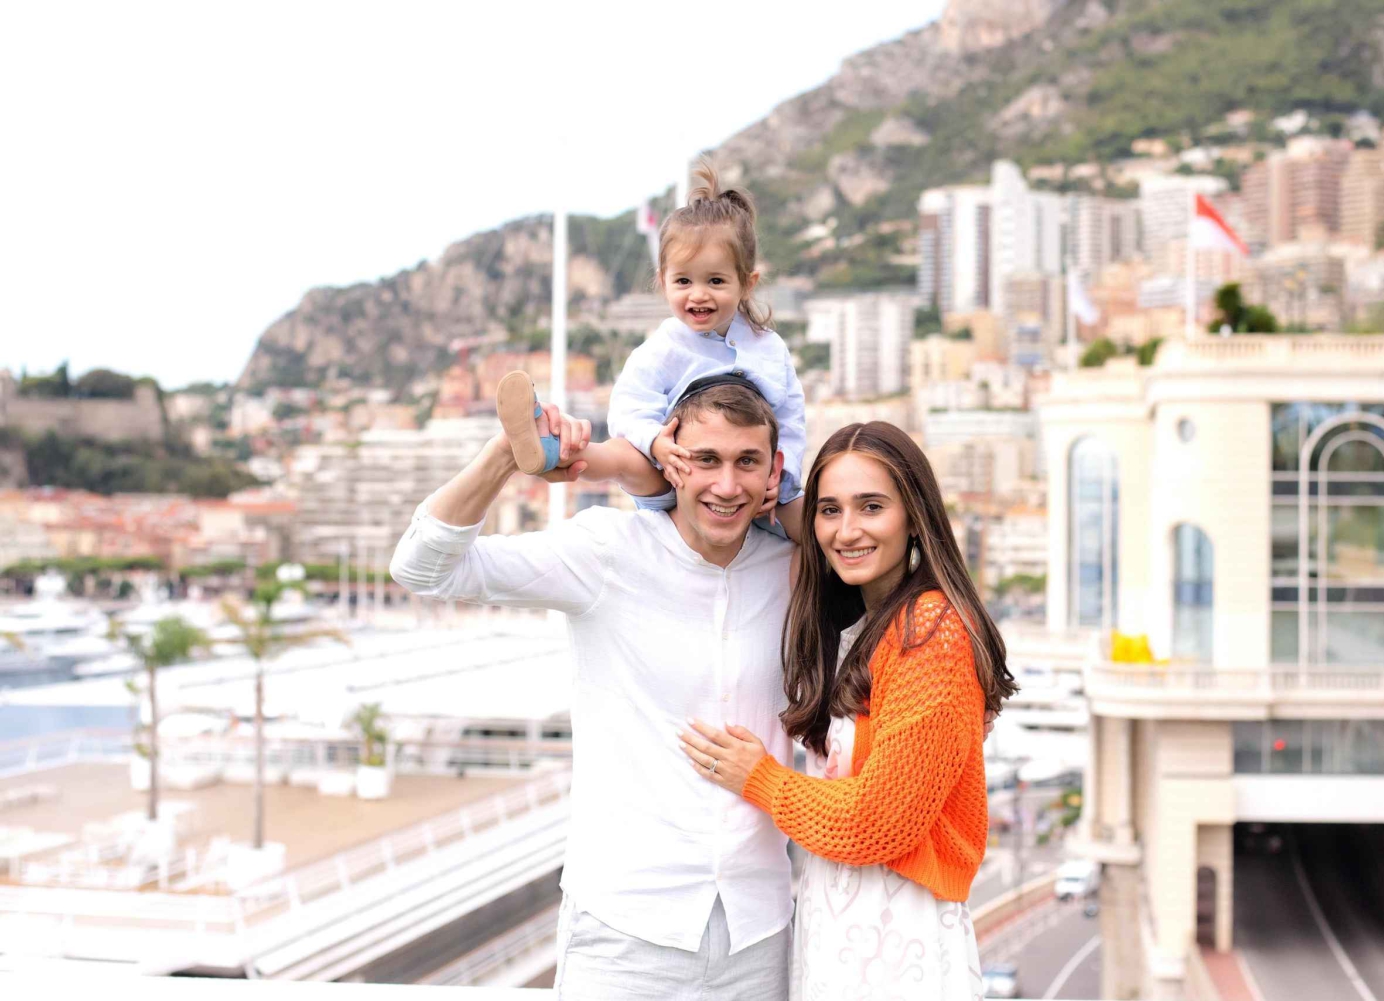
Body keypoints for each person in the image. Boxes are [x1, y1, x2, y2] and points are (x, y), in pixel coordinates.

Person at [388, 379, 796, 1000]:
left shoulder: (796, 568)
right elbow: (422, 568)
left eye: (747, 462)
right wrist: (506, 453)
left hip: (760, 934)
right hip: (623, 932)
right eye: (706, 459)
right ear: (670, 459)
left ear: (774, 468)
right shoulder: (606, 550)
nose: (726, 484)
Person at [680, 421, 1016, 1000]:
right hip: (840, 936)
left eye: (872, 507)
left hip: (897, 951)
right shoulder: (865, 627)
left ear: (915, 516)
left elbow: (878, 822)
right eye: (830, 510)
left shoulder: (930, 631)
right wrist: (761, 493)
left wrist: (759, 779)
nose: (847, 530)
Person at [494, 158, 807, 540]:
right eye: (684, 281)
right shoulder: (661, 349)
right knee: (623, 457)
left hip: (750, 482)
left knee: (806, 518)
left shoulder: (769, 348)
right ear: (663, 282)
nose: (698, 294)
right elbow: (628, 408)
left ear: (747, 283)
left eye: (715, 281)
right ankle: (551, 449)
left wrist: (782, 474)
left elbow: (791, 418)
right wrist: (655, 442)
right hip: (674, 473)